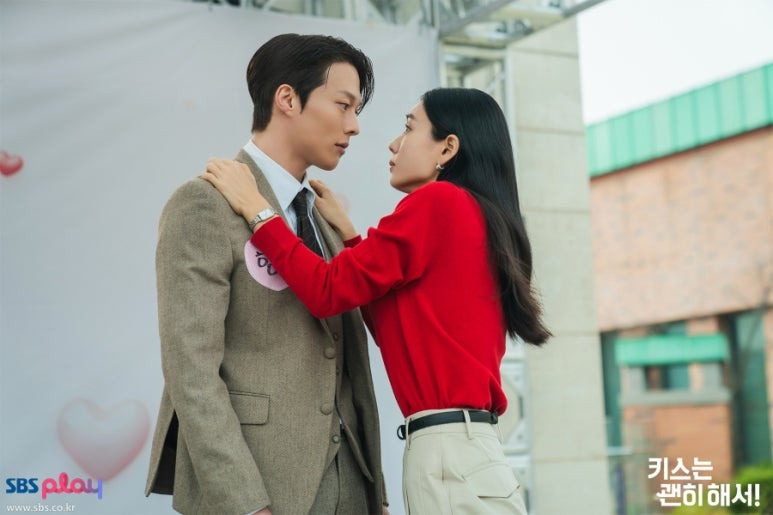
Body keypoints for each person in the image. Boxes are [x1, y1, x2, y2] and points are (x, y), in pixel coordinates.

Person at [202, 87, 552, 514]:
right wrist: (351, 238)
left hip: (449, 455)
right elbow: (399, 328)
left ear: (447, 148)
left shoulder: (438, 202)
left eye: (409, 128)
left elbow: (326, 292)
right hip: (463, 452)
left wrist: (257, 210)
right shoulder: (474, 213)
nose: (393, 143)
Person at [145, 34, 388, 515]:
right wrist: (246, 504)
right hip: (261, 486)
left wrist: (373, 491)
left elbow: (350, 360)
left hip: (352, 484)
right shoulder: (203, 203)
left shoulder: (322, 216)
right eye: (343, 105)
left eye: (356, 110)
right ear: (287, 99)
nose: (354, 126)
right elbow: (191, 372)